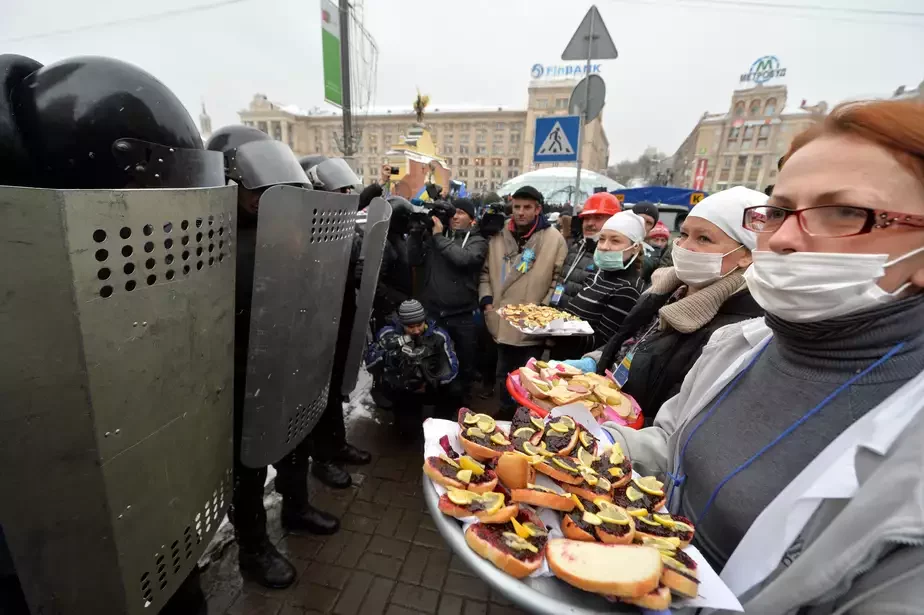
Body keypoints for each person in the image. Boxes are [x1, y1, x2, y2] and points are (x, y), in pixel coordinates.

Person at [602, 99, 924, 612]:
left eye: (844, 211)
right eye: (778, 211)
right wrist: (582, 441)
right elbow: (669, 446)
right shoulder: (740, 344)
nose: (786, 238)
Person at [207, 126, 340, 591]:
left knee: (295, 439)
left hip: (286, 362)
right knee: (246, 468)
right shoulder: (208, 238)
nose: (263, 195)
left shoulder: (286, 229)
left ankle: (297, 507)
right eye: (253, 185)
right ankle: (253, 548)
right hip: (239, 375)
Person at [568, 187, 765, 419]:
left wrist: (620, 431)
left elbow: (677, 421)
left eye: (704, 238)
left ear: (747, 254)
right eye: (683, 234)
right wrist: (596, 361)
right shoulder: (664, 288)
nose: (684, 246)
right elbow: (632, 342)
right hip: (604, 410)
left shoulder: (736, 331)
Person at [296, 155, 373, 489]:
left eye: (347, 191)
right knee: (315, 394)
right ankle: (321, 459)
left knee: (334, 391)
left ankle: (335, 444)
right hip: (311, 327)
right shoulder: (298, 229)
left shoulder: (340, 227)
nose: (346, 198)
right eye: (339, 192)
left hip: (339, 318)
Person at [479, 185, 567, 417]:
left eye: (527, 207)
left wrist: (542, 313)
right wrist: (487, 301)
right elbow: (485, 273)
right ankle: (506, 412)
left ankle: (524, 418)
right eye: (516, 206)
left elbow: (558, 281)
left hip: (530, 325)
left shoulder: (554, 239)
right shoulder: (498, 234)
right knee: (502, 374)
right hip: (500, 318)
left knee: (528, 377)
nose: (520, 212)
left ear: (538, 209)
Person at [407, 197, 487, 409]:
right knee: (434, 360)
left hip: (462, 316)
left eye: (461, 212)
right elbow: (414, 259)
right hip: (434, 313)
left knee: (463, 364)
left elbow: (464, 259)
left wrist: (438, 237)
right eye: (454, 213)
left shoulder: (477, 241)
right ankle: (436, 404)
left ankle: (458, 408)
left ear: (472, 219)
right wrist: (416, 233)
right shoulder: (436, 236)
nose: (455, 217)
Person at [550, 211, 648, 359]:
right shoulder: (600, 275)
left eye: (615, 241)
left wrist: (556, 330)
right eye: (602, 239)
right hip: (560, 358)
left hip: (577, 369)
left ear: (636, 247)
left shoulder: (628, 289)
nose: (604, 246)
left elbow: (602, 343)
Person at [365, 300, 459, 436]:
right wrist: (388, 358)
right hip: (403, 389)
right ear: (401, 324)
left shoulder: (439, 335)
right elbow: (369, 363)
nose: (416, 331)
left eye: (419, 325)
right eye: (410, 327)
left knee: (455, 390)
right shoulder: (388, 335)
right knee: (408, 432)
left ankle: (442, 422)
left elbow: (453, 367)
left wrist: (431, 374)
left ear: (424, 320)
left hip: (430, 386)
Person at [550, 192, 622, 309]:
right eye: (586, 218)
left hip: (582, 325)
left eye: (598, 218)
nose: (589, 223)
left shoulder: (616, 258)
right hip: (558, 320)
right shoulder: (576, 247)